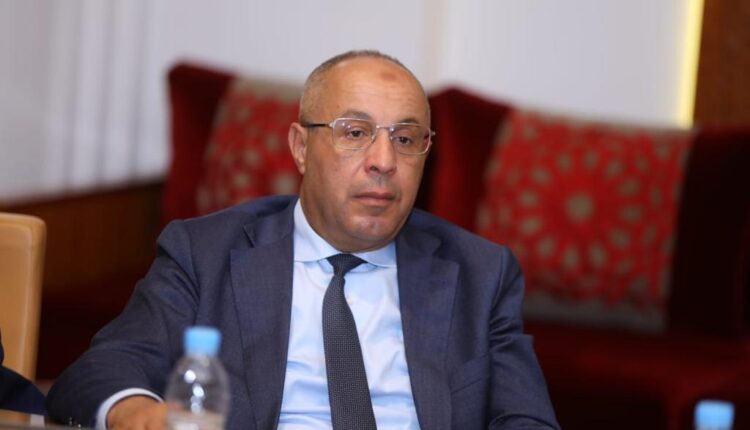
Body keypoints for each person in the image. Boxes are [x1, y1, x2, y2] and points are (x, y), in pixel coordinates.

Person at [46, 50, 560, 430]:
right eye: (354, 132)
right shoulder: (204, 253)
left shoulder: (480, 273)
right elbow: (100, 371)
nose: (384, 161)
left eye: (405, 139)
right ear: (300, 147)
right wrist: (140, 414)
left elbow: (527, 419)